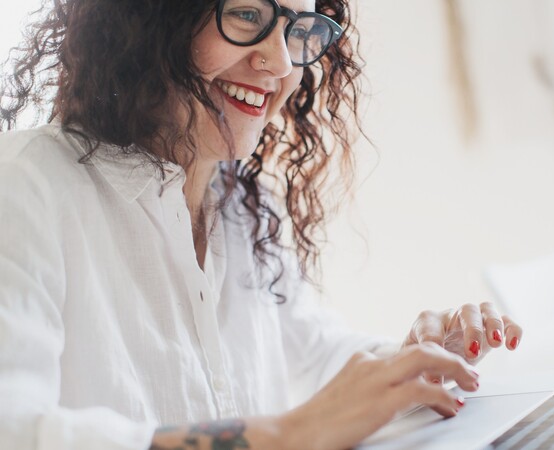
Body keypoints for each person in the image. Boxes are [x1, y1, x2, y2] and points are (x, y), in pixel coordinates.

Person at [0, 0, 523, 448]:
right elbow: (16, 431)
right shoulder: (26, 185)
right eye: (247, 14)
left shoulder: (244, 208)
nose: (277, 63)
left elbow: (316, 352)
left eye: (298, 28)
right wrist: (284, 436)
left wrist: (415, 366)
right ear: (153, 17)